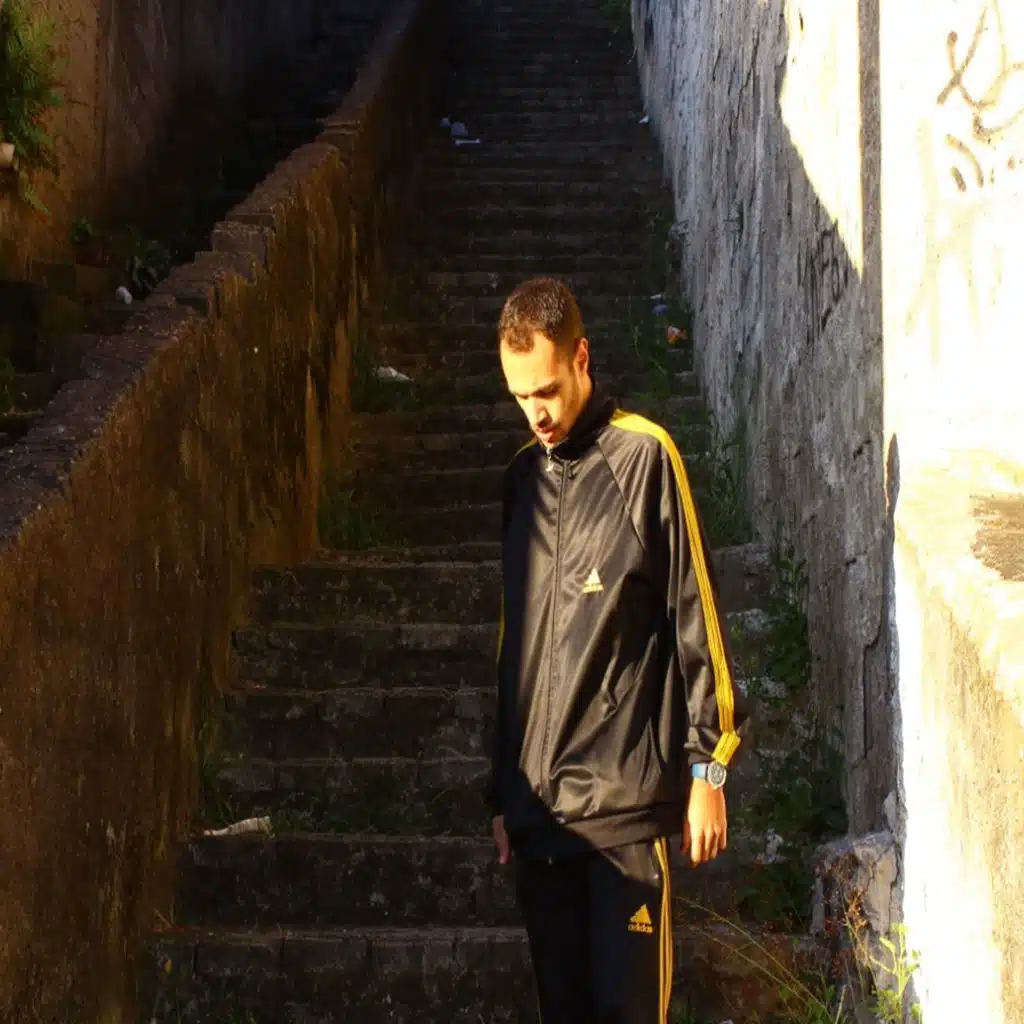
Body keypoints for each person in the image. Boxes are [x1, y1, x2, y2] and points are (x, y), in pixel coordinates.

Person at [485, 277, 750, 1023]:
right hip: (539, 821)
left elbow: (695, 613)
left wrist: (709, 767)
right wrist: (501, 791)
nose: (535, 413)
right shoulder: (521, 481)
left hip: (624, 813)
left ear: (582, 358)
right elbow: (515, 647)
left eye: (545, 391)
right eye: (519, 397)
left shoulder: (645, 457)